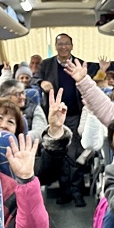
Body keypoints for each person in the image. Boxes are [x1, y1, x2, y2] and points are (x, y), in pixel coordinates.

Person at [33, 34, 90, 207]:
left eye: (66, 44)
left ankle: (77, 192)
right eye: (60, 44)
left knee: (74, 154)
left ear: (72, 45)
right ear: (56, 46)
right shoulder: (46, 64)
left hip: (75, 115)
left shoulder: (80, 64)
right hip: (55, 117)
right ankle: (65, 192)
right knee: (61, 154)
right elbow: (34, 79)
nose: (63, 47)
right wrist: (42, 82)